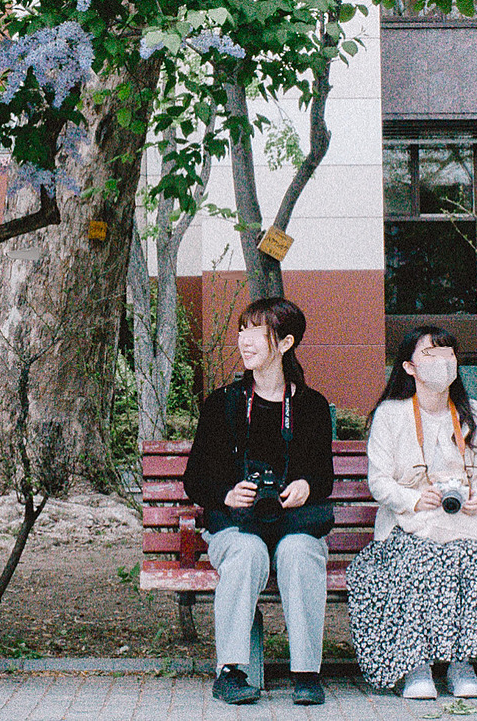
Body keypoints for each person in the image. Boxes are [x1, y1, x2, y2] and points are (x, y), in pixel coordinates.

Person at [346, 325, 477, 699]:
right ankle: (416, 667)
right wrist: (415, 499)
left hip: (463, 524)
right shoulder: (391, 414)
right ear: (410, 367)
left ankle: (462, 664)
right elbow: (379, 482)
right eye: (430, 354)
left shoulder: (475, 414)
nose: (442, 363)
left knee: (467, 557)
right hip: (406, 525)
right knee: (419, 559)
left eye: (448, 354)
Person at [184, 297, 334, 707]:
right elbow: (194, 478)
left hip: (294, 524)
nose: (244, 340)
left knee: (301, 552)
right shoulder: (224, 403)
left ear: (285, 343)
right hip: (237, 524)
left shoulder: (311, 406)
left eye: (255, 330)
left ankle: (307, 672)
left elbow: (324, 477)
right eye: (241, 330)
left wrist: (305, 485)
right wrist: (227, 493)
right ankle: (230, 672)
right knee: (247, 552)